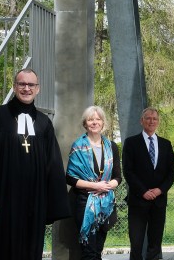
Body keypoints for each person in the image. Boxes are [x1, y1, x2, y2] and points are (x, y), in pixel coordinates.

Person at [0, 68, 69, 260]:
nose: (26, 88)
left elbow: (52, 164)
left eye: (31, 85)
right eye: (22, 84)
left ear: (38, 89)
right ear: (14, 87)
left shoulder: (44, 123)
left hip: (34, 202)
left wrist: (50, 205)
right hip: (4, 200)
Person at [66, 106, 122, 260]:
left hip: (105, 204)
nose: (94, 122)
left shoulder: (112, 146)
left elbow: (118, 177)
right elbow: (70, 178)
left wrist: (109, 185)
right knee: (89, 252)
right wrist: (95, 186)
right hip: (84, 203)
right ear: (85, 123)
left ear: (103, 123)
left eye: (98, 119)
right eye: (91, 119)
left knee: (98, 250)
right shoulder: (78, 146)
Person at [122, 107, 174, 260]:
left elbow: (172, 172)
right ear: (141, 121)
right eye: (148, 118)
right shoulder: (131, 143)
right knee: (136, 243)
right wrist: (143, 191)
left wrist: (160, 190)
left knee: (155, 244)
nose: (151, 121)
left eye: (155, 118)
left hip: (159, 202)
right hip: (138, 201)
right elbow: (128, 171)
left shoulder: (166, 144)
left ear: (158, 122)